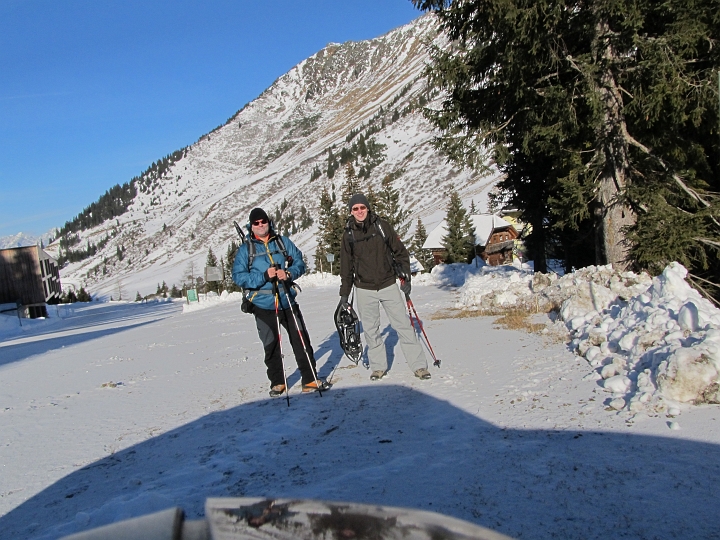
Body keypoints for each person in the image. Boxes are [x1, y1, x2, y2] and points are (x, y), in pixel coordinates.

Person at [233, 208, 328, 396]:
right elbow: (238, 276)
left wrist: (289, 273)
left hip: (286, 299)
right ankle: (277, 382)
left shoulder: (283, 242)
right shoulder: (246, 250)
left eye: (263, 221)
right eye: (256, 223)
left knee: (300, 339)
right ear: (251, 226)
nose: (261, 225)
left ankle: (309, 379)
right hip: (262, 303)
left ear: (269, 222)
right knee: (271, 344)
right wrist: (263, 276)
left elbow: (299, 262)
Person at [339, 194, 431, 381]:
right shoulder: (348, 234)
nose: (359, 212)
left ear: (368, 208)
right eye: (355, 209)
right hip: (364, 288)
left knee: (403, 326)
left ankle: (419, 366)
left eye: (362, 208)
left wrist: (406, 277)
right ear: (351, 211)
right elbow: (346, 267)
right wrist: (344, 295)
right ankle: (378, 367)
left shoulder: (382, 226)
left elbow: (400, 252)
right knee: (371, 330)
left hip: (388, 284)